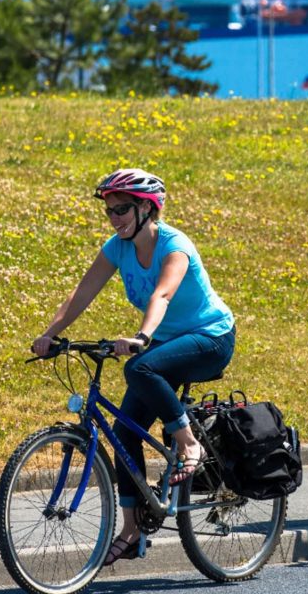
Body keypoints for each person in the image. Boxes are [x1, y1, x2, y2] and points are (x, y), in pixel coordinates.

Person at [31, 168, 235, 566]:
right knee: (124, 431)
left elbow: (162, 293)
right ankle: (132, 529)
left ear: (147, 208)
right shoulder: (118, 246)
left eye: (122, 209)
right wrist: (50, 334)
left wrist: (141, 337)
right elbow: (83, 292)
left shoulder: (175, 245)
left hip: (210, 337)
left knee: (139, 369)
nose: (114, 218)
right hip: (167, 340)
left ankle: (189, 442)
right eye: (109, 211)